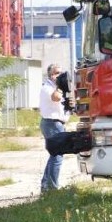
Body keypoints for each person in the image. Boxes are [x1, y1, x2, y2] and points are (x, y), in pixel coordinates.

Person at [39, 63, 69, 193]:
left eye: (61, 73)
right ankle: (53, 187)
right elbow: (55, 97)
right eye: (56, 73)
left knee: (54, 154)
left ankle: (46, 185)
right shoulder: (47, 88)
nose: (59, 75)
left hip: (56, 123)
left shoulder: (56, 88)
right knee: (57, 155)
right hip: (52, 123)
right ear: (50, 75)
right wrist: (60, 86)